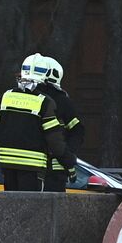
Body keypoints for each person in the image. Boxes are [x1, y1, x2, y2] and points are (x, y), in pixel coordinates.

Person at [0, 54, 75, 192]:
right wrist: (69, 164)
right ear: (45, 75)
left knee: (10, 208)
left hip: (7, 165)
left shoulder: (5, 97)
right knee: (31, 210)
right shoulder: (45, 102)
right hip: (32, 167)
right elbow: (55, 141)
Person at [35, 54, 85, 191]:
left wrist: (68, 157)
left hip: (39, 167)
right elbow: (78, 130)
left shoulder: (56, 99)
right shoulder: (62, 99)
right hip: (55, 167)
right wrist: (69, 156)